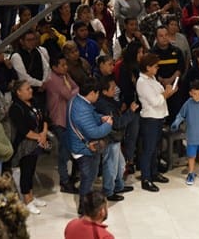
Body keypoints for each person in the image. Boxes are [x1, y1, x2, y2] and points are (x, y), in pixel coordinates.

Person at [66, 78, 113, 215]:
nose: (98, 97)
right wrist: (108, 124)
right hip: (84, 149)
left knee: (87, 178)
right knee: (88, 179)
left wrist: (100, 118)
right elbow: (94, 132)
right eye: (97, 94)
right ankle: (84, 208)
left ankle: (86, 204)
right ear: (92, 93)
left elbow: (90, 117)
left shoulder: (77, 100)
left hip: (77, 144)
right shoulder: (82, 109)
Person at [136, 53, 175, 192]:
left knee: (155, 148)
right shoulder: (142, 82)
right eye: (155, 66)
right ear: (147, 67)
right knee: (149, 149)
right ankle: (146, 178)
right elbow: (155, 101)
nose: (157, 68)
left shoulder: (151, 78)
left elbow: (159, 96)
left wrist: (166, 92)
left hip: (158, 117)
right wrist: (167, 94)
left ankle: (154, 172)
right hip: (150, 119)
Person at [9, 80, 49, 215]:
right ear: (18, 92)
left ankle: (31, 196)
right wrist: (39, 137)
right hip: (24, 145)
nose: (30, 90)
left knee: (31, 170)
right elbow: (23, 130)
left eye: (30, 88)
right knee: (26, 171)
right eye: (27, 89)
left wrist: (43, 134)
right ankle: (27, 200)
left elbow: (44, 119)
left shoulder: (34, 102)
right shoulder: (16, 108)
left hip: (36, 142)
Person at [95, 77, 138, 201]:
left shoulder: (109, 101)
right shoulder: (103, 105)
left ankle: (118, 186)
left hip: (115, 138)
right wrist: (131, 111)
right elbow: (117, 123)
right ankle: (108, 191)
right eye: (112, 88)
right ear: (104, 91)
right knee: (111, 166)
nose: (115, 90)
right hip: (110, 139)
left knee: (120, 164)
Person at [45, 54, 79, 194]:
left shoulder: (64, 76)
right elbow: (69, 95)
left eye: (66, 64)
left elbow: (76, 87)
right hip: (59, 119)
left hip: (68, 118)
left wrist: (74, 90)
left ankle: (70, 177)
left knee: (70, 150)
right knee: (64, 153)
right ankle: (64, 181)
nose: (66, 67)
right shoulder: (52, 79)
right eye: (63, 65)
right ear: (54, 67)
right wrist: (75, 91)